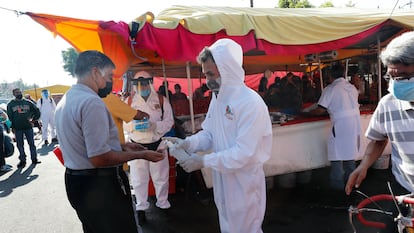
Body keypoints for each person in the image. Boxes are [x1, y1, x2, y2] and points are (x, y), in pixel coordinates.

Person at [165, 38, 272, 233]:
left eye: (211, 74)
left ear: (228, 69)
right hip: (223, 179)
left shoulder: (250, 103)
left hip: (243, 183)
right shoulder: (219, 98)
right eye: (206, 74)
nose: (207, 80)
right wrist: (187, 144)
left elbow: (245, 153)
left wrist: (204, 161)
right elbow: (210, 133)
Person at [54, 50, 164, 233]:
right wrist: (141, 154)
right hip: (99, 186)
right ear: (95, 72)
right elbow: (99, 158)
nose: (109, 82)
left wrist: (122, 146)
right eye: (109, 76)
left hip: (76, 182)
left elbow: (84, 144)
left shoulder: (67, 99)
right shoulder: (92, 102)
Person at [345, 31, 414, 233]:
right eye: (392, 77)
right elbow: (378, 138)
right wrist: (364, 165)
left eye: (403, 77)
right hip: (404, 193)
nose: (397, 85)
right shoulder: (388, 104)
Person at [124, 71, 174, 224]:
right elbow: (124, 124)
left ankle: (163, 204)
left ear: (150, 83)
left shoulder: (161, 99)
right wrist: (135, 126)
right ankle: (141, 208)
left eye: (145, 83)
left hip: (156, 143)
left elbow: (169, 121)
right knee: (139, 179)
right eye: (139, 84)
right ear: (135, 85)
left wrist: (154, 126)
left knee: (161, 177)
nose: (142, 87)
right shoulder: (129, 100)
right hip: (137, 146)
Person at [307, 64, 361, 191]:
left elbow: (320, 109)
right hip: (354, 125)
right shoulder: (351, 87)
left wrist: (306, 113)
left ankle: (337, 189)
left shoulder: (330, 89)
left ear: (330, 76)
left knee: (337, 155)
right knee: (350, 154)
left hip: (340, 125)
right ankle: (352, 187)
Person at [7, 88, 41, 168]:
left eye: (19, 92)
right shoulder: (11, 104)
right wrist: (12, 127)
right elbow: (10, 116)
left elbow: (36, 110)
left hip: (28, 127)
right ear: (14, 94)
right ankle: (22, 160)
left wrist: (34, 120)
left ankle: (34, 159)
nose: (19, 93)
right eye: (17, 92)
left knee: (32, 144)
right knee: (20, 145)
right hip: (18, 128)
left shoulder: (28, 102)